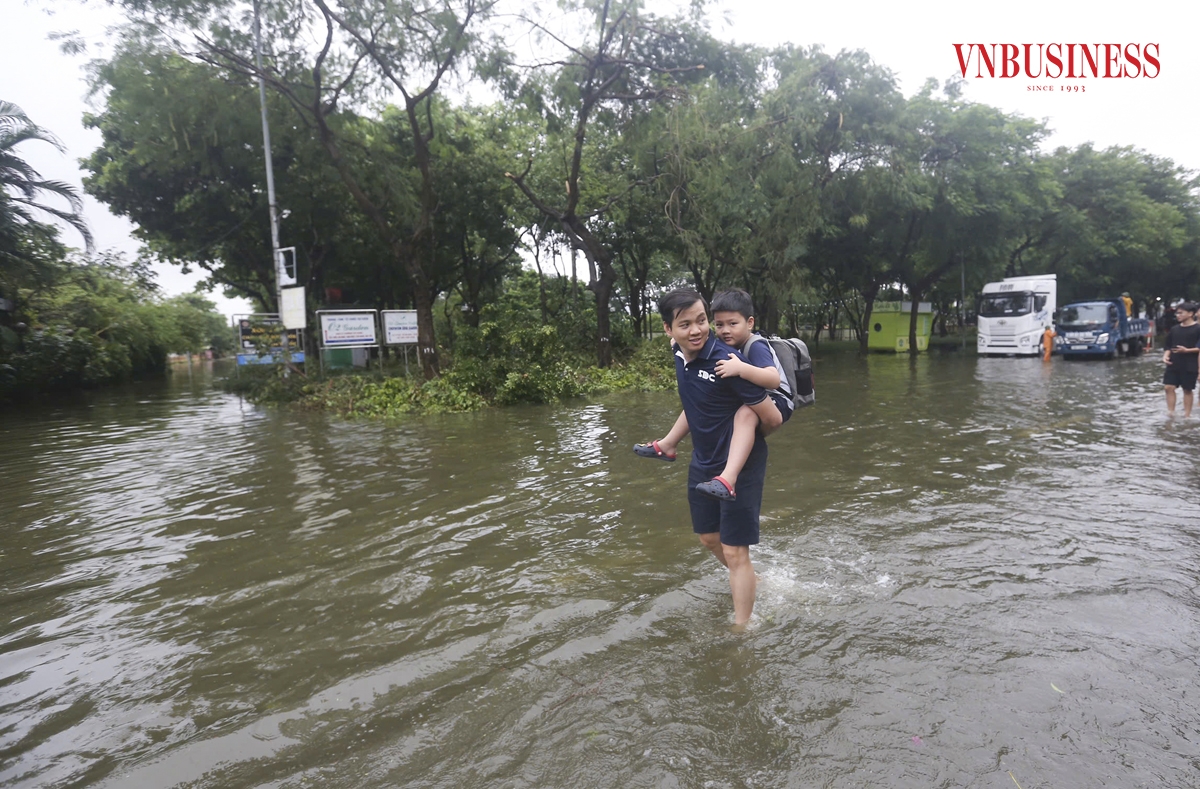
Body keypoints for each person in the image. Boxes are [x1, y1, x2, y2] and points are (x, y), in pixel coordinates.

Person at [634, 288, 777, 627]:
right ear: (668, 331)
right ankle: (750, 580)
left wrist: (751, 438)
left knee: (733, 549)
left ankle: (742, 629)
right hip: (703, 459)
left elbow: (770, 417)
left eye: (701, 321)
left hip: (738, 466)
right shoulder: (680, 352)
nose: (696, 330)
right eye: (685, 325)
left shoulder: (726, 363)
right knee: (708, 538)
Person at [634, 289, 788, 500]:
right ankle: (668, 443)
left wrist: (742, 368)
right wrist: (677, 343)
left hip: (777, 397)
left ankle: (729, 477)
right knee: (700, 400)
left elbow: (773, 380)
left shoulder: (754, 347)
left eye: (733, 324)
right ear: (669, 329)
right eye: (719, 325)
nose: (725, 331)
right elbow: (678, 343)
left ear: (749, 323)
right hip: (750, 398)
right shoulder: (700, 349)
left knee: (745, 415)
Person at [1162, 301, 1200, 417]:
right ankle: (1171, 412)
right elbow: (1168, 345)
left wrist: (1187, 350)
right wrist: (1165, 356)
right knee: (1168, 387)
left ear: (1190, 313)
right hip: (1174, 362)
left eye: (1180, 313)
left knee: (1187, 389)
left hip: (1190, 363)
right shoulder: (1174, 329)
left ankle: (1187, 414)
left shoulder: (1198, 329)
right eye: (1177, 313)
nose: (1178, 315)